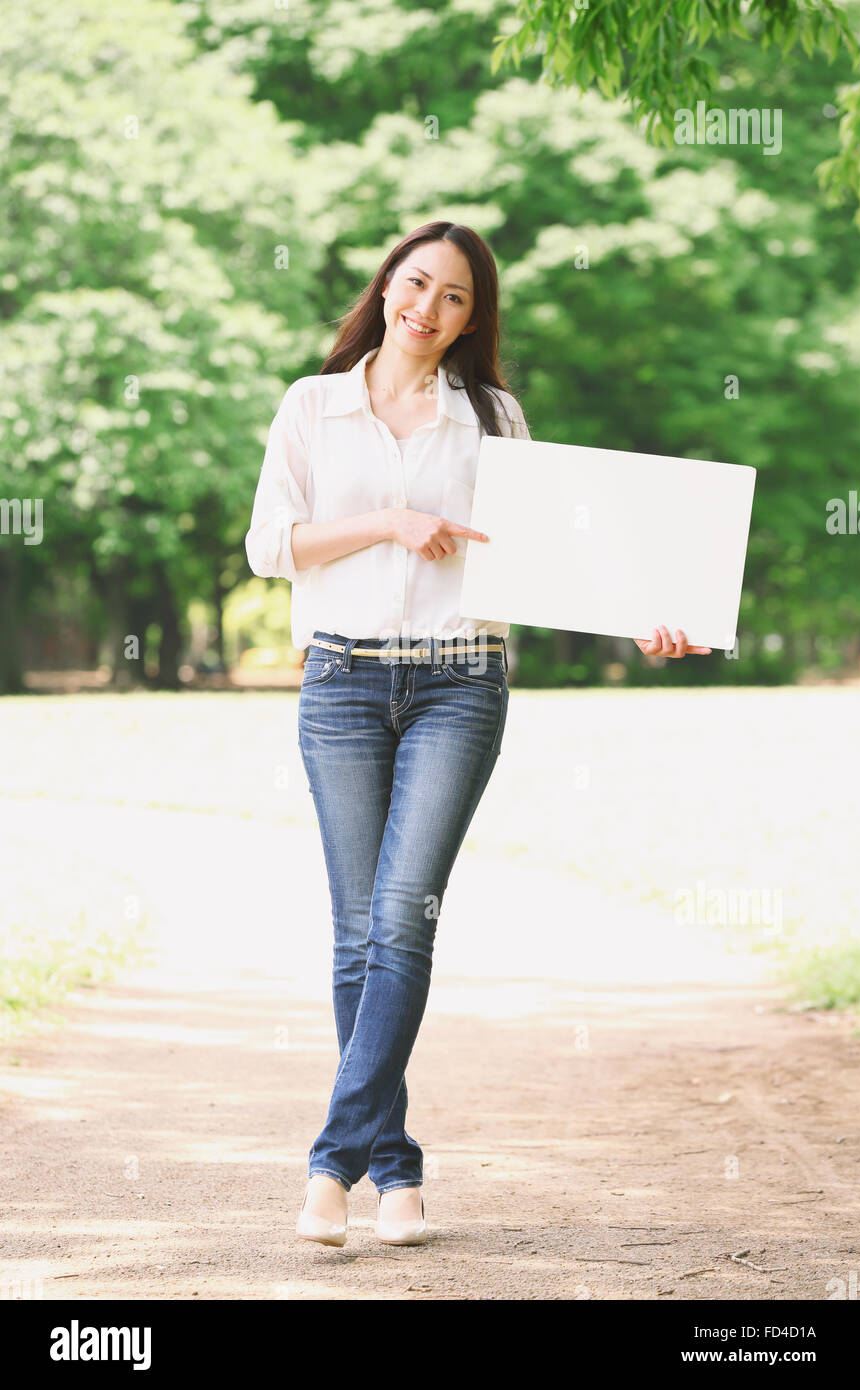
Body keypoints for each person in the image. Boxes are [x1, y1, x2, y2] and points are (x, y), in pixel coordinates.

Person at [244, 220, 709, 1250]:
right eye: (416, 284)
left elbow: (555, 553)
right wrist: (386, 523)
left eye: (454, 296)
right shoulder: (312, 405)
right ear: (385, 287)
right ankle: (396, 1171)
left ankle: (330, 1166)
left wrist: (645, 615)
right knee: (357, 931)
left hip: (458, 680)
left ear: (470, 315)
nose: (428, 308)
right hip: (341, 679)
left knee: (401, 918)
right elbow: (270, 544)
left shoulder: (490, 415)